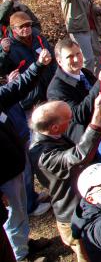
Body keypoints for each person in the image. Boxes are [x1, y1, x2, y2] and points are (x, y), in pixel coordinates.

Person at [29, 96, 101, 262]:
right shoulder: (45, 156)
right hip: (73, 217)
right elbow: (78, 156)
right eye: (69, 119)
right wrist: (98, 117)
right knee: (88, 255)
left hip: (81, 206)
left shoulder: (50, 135)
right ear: (55, 127)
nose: (72, 120)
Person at [0, 48, 53, 262]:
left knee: (20, 210)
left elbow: (17, 88)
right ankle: (20, 254)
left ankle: (21, 244)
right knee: (13, 215)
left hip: (14, 166)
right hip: (3, 177)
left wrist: (38, 66)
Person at [0, 12, 56, 112]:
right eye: (21, 26)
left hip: (51, 90)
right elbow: (2, 70)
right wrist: (4, 53)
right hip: (31, 99)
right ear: (13, 29)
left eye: (28, 25)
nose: (25, 28)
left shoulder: (39, 39)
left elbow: (53, 60)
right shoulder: (8, 47)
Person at [47, 38, 101, 128]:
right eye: (70, 56)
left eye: (78, 54)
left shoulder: (85, 72)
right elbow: (79, 116)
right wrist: (99, 83)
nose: (76, 59)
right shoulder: (56, 90)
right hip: (85, 134)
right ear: (59, 61)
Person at [60, 0, 101, 74]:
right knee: (88, 59)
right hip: (79, 29)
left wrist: (100, 11)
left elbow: (89, 7)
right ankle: (87, 82)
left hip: (91, 27)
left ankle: (98, 81)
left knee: (98, 56)